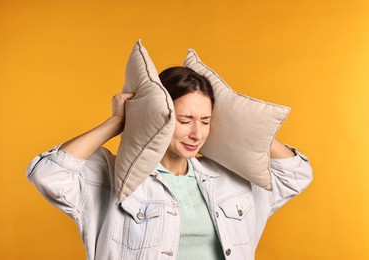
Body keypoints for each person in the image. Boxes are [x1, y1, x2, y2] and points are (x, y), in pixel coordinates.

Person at [27, 67, 312, 260]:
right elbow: (48, 174)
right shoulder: (114, 177)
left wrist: (244, 126)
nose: (196, 133)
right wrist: (117, 122)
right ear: (158, 116)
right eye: (184, 120)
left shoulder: (230, 179)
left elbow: (295, 174)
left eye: (206, 121)